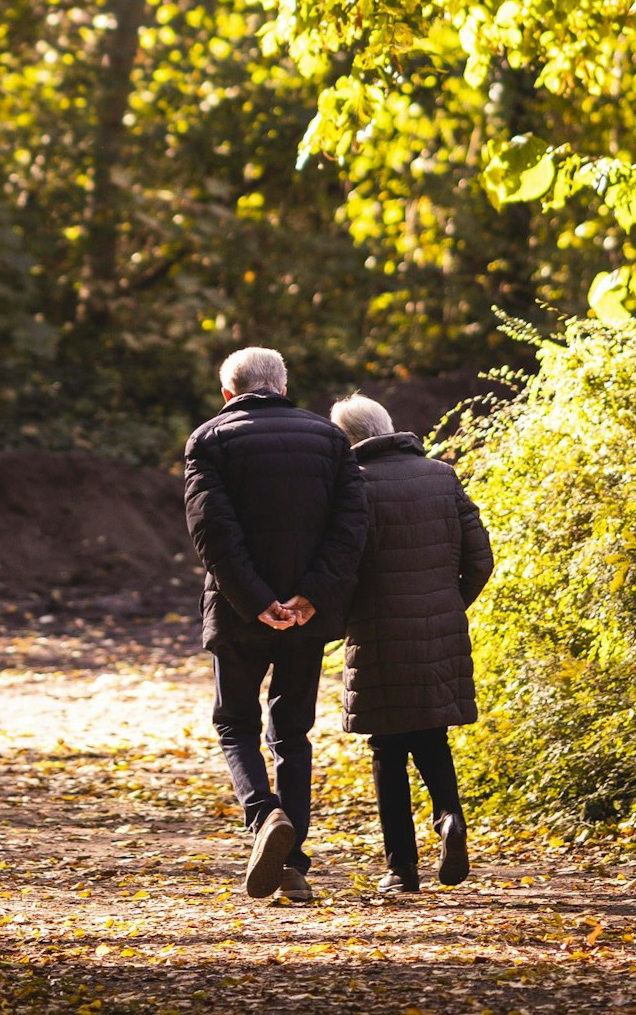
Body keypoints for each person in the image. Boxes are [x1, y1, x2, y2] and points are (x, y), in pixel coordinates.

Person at [183, 347, 368, 902]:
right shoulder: (331, 440)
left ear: (227, 394)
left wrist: (257, 600)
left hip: (238, 611)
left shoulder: (209, 440)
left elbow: (212, 530)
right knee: (291, 732)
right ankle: (294, 863)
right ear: (284, 387)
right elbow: (351, 526)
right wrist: (310, 596)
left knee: (234, 723)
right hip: (307, 617)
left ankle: (265, 818)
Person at [328, 392, 493, 895]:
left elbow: (342, 567)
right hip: (439, 626)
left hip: (377, 633)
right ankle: (448, 817)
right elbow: (481, 558)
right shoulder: (442, 476)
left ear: (347, 438)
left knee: (387, 748)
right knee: (432, 733)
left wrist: (342, 620)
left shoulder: (352, 486)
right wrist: (447, 604)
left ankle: (402, 869)